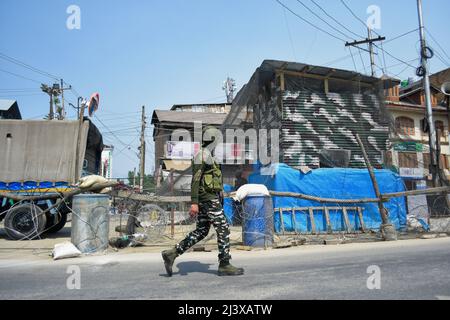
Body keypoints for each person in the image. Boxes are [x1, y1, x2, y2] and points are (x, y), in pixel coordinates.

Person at [161, 126, 244, 277]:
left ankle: (171, 254)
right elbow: (195, 181)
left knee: (202, 231)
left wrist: (219, 197)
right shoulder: (202, 155)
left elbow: (213, 179)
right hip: (207, 199)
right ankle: (224, 264)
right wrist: (194, 203)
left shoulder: (210, 156)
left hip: (211, 198)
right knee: (223, 228)